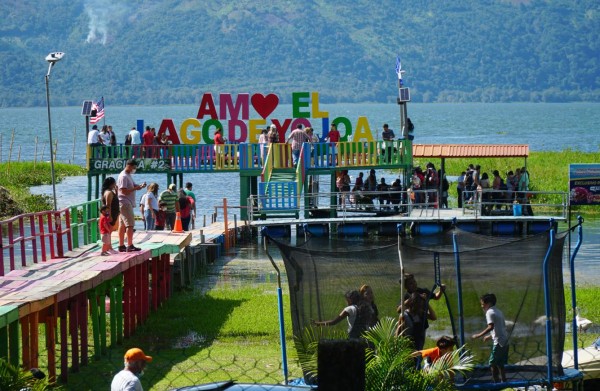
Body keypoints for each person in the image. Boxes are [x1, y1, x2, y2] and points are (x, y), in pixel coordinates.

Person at [472, 293, 508, 383]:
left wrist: (478, 335)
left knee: (492, 363)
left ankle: (496, 382)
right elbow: (500, 328)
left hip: (499, 342)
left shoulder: (489, 312)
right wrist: (490, 336)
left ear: (489, 303)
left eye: (483, 304)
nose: (482, 306)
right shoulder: (498, 311)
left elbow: (490, 327)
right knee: (500, 363)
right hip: (505, 340)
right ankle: (504, 381)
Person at [117, 159, 146, 252]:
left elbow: (132, 186)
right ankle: (130, 245)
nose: (134, 169)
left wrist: (139, 186)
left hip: (126, 202)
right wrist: (135, 188)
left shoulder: (128, 175)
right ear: (129, 165)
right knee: (130, 225)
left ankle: (121, 245)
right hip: (124, 202)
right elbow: (123, 191)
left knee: (122, 225)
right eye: (133, 167)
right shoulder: (123, 176)